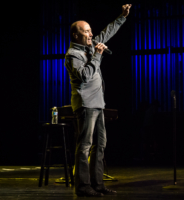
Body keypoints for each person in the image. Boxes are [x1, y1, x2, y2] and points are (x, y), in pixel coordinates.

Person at [64, 4, 132, 197]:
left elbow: (107, 31)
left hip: (98, 105)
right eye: (86, 32)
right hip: (85, 106)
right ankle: (83, 187)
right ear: (76, 36)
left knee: (100, 145)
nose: (91, 35)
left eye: (91, 31)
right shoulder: (72, 55)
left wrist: (122, 16)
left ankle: (98, 184)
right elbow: (85, 76)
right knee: (84, 146)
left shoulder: (92, 47)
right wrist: (98, 56)